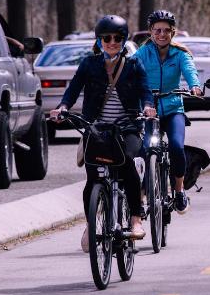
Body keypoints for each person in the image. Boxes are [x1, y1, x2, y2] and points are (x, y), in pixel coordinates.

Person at [50, 15, 155, 252]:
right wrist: (63, 108)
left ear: (124, 40)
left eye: (117, 38)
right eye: (106, 38)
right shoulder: (89, 64)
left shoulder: (133, 65)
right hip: (96, 129)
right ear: (99, 41)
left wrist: (148, 106)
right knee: (93, 179)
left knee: (127, 164)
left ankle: (136, 220)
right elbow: (73, 90)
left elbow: (145, 90)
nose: (112, 42)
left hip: (127, 126)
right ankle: (90, 223)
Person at [134, 10, 201, 215]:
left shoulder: (180, 54)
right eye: (157, 30)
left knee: (176, 147)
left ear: (173, 32)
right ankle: (142, 194)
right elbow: (130, 71)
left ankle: (179, 191)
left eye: (166, 30)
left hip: (173, 109)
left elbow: (190, 71)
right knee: (144, 149)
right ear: (150, 32)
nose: (161, 34)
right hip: (148, 111)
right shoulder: (142, 54)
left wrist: (195, 86)